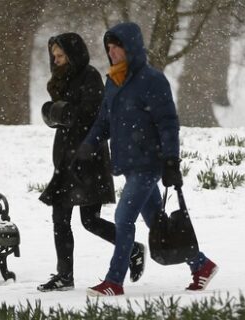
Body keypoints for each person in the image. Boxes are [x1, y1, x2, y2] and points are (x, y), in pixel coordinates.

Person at [79, 22, 218, 296]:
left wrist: (170, 161)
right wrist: (87, 145)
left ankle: (114, 282)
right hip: (130, 165)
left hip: (148, 164)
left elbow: (168, 123)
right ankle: (201, 265)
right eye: (109, 48)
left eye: (117, 46)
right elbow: (104, 121)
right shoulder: (113, 81)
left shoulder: (152, 80)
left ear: (130, 47)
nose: (112, 52)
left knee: (123, 217)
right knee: (157, 221)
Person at [37, 32, 146, 292]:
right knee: (60, 218)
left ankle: (132, 248)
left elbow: (91, 114)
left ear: (73, 54)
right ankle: (65, 276)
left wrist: (58, 111)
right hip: (65, 158)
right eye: (54, 56)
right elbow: (64, 117)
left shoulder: (90, 77)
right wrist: (52, 113)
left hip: (88, 158)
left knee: (89, 220)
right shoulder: (60, 79)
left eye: (61, 55)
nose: (57, 60)